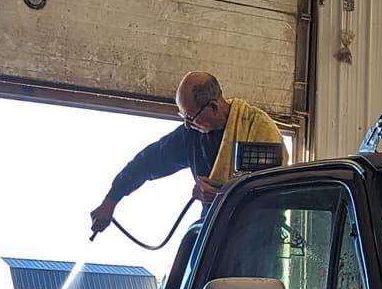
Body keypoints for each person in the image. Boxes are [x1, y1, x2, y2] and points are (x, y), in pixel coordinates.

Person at [89, 72, 283, 239]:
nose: (188, 125)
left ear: (213, 107)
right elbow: (147, 162)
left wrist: (222, 196)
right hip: (215, 230)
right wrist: (111, 201)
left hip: (259, 237)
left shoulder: (257, 128)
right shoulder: (192, 135)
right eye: (184, 118)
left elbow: (269, 192)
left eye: (190, 117)